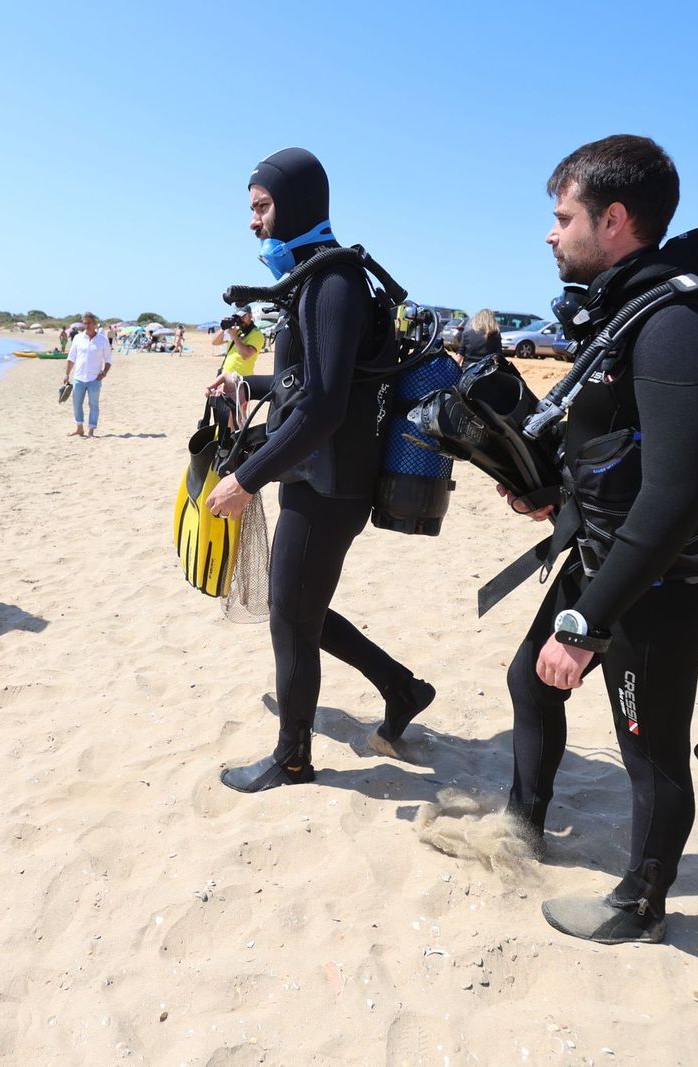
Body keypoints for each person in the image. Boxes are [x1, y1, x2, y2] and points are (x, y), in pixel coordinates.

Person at [495, 135, 698, 944]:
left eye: (563, 215)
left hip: (662, 577)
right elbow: (618, 448)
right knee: (529, 679)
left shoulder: (678, 325)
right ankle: (522, 824)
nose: (551, 232)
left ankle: (640, 902)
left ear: (614, 219)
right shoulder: (628, 312)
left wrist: (587, 624)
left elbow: (676, 495)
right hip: (608, 554)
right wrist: (549, 492)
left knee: (649, 749)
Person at [204, 147, 434, 793]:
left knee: (290, 614)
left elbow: (328, 405)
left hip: (330, 482)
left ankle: (293, 759)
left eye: (261, 206)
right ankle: (401, 686)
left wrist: (245, 479)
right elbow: (306, 384)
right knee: (301, 606)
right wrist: (246, 383)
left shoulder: (331, 284)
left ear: (296, 203)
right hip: (317, 473)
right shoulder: (313, 277)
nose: (253, 221)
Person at [63, 311, 112, 437]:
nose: (87, 325)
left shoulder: (103, 340)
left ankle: (91, 430)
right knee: (76, 403)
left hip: (94, 379)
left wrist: (104, 373)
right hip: (79, 378)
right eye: (85, 323)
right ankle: (79, 428)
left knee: (93, 405)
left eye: (89, 323)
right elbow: (71, 358)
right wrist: (67, 374)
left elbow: (108, 360)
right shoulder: (78, 338)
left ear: (95, 324)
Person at [215, 306, 265, 377]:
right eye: (237, 317)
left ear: (250, 315)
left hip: (241, 378)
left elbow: (245, 355)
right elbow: (215, 342)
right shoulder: (236, 330)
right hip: (225, 376)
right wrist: (224, 327)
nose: (240, 319)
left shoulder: (256, 334)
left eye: (243, 316)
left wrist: (235, 337)